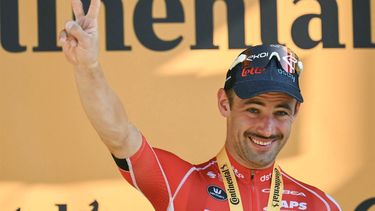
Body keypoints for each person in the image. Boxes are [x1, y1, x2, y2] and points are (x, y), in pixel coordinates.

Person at [59, 0, 342, 210]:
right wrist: (88, 66)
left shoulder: (320, 205)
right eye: (253, 109)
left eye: (280, 112)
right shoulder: (181, 184)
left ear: (295, 113)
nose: (267, 127)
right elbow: (118, 134)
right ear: (224, 103)